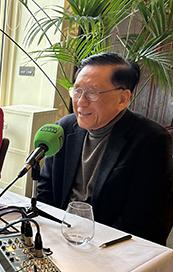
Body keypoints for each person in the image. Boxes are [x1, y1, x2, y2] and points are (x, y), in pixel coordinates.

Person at [38, 52, 173, 245]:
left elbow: (143, 219)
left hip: (110, 246)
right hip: (60, 236)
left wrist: (93, 246)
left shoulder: (151, 140)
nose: (81, 102)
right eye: (77, 90)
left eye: (92, 92)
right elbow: (46, 188)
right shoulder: (64, 128)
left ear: (123, 99)